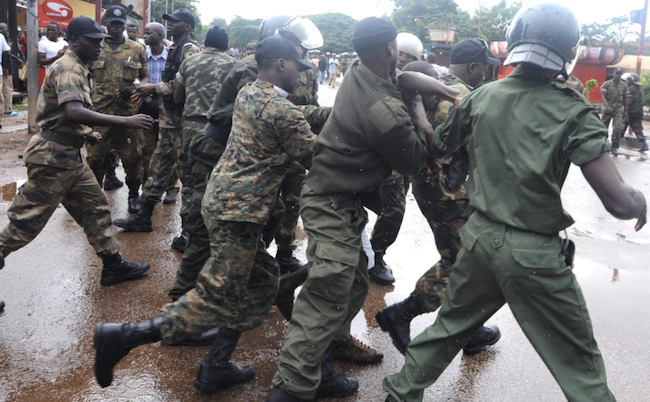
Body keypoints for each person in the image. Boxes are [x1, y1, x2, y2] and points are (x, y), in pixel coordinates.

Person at [382, 3, 647, 401]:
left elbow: (439, 144)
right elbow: (618, 203)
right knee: (578, 364)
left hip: (478, 241)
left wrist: (419, 104)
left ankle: (400, 394)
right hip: (533, 254)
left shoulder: (480, 97)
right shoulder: (573, 112)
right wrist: (639, 199)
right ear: (567, 51)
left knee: (446, 329)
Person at [93, 35, 329, 393]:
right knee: (216, 295)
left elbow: (303, 114)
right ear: (282, 63)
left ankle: (216, 365)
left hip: (228, 203)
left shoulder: (252, 92)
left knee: (262, 280)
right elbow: (318, 157)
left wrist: (339, 112)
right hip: (240, 211)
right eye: (299, 65)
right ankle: (124, 335)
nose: (302, 73)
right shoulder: (278, 110)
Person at [264, 17, 461, 401]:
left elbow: (405, 79)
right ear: (390, 49)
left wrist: (436, 90)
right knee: (329, 288)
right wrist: (422, 115)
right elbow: (416, 162)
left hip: (340, 195)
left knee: (354, 280)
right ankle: (291, 387)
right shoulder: (385, 112)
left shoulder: (361, 71)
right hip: (329, 200)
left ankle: (326, 355)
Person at [0, 17, 154, 305]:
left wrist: (87, 133)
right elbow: (73, 111)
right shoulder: (70, 68)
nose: (99, 44)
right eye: (92, 39)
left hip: (70, 156)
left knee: (96, 209)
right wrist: (126, 120)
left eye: (100, 39)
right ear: (73, 40)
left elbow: (68, 114)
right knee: (24, 225)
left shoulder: (79, 66)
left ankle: (113, 265)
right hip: (53, 159)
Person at [376, 39, 503, 356]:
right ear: (475, 67)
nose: (488, 73)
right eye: (486, 67)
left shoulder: (436, 81)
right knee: (464, 259)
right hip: (448, 189)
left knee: (462, 256)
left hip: (429, 185)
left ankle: (468, 331)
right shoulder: (464, 98)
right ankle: (402, 314)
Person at [114, 9, 200, 232]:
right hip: (168, 121)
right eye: (169, 22)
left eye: (176, 22)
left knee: (188, 178)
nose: (171, 24)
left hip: (181, 124)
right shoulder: (175, 49)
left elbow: (189, 83)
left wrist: (155, 88)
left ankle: (190, 232)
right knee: (156, 171)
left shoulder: (189, 50)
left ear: (188, 27)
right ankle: (144, 217)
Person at [167, 25, 235, 276]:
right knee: (220, 180)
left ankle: (187, 233)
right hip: (219, 130)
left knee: (190, 181)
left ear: (205, 43)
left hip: (191, 127)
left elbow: (177, 96)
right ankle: (217, 237)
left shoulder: (190, 61)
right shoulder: (233, 64)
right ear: (227, 46)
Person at [367, 31, 424, 286]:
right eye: (401, 53)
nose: (403, 59)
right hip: (379, 156)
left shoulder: (412, 82)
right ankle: (374, 256)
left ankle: (373, 253)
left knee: (393, 209)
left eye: (409, 56)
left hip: (404, 156)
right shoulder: (373, 76)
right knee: (393, 210)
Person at [86, 5, 149, 214]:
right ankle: (95, 199)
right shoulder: (96, 47)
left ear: (125, 25)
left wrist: (136, 88)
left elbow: (146, 77)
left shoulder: (136, 48)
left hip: (128, 114)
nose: (116, 27)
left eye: (120, 24)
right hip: (100, 113)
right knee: (95, 158)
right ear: (106, 23)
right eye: (113, 23)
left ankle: (133, 195)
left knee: (133, 159)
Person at [141, 22, 180, 206]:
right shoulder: (141, 56)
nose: (145, 35)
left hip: (168, 110)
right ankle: (148, 191)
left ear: (160, 35)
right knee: (148, 151)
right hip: (146, 108)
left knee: (168, 151)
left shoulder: (173, 56)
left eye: (149, 33)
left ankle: (172, 188)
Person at [601, 67, 627, 156]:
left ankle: (614, 146)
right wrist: (607, 106)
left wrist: (626, 111)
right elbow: (603, 96)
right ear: (614, 74)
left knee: (618, 127)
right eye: (616, 73)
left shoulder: (624, 85)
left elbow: (625, 98)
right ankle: (603, 144)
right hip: (607, 109)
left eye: (619, 74)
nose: (618, 75)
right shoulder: (606, 84)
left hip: (618, 109)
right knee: (603, 128)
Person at [623, 73, 649, 152]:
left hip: (630, 112)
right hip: (638, 113)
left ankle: (614, 145)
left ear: (631, 80)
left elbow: (628, 101)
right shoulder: (639, 88)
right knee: (638, 129)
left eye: (628, 80)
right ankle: (644, 144)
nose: (627, 81)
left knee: (620, 128)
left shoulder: (630, 89)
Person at [0, 23, 17, 117]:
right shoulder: (3, 39)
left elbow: (8, 53)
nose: (1, 31)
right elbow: (7, 53)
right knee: (6, 90)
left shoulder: (8, 40)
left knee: (7, 89)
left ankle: (7, 108)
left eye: (3, 29)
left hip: (7, 68)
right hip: (4, 68)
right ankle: (7, 110)